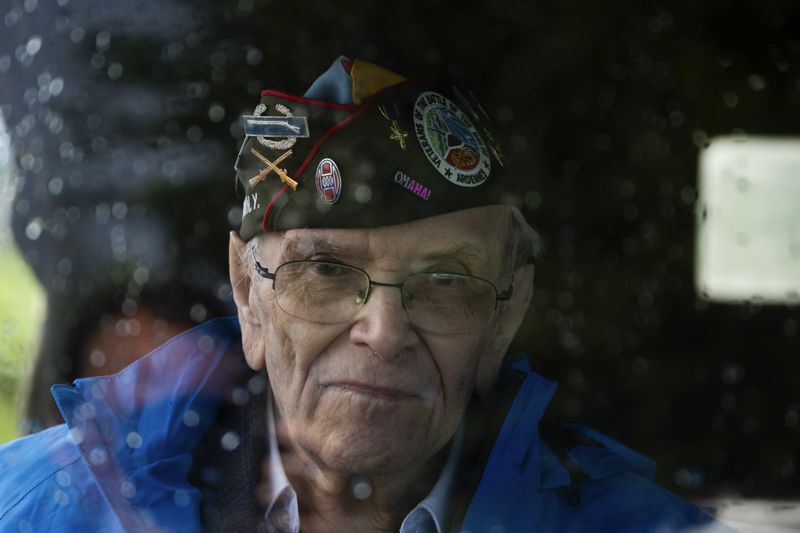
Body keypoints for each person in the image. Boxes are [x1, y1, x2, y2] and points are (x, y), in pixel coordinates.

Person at [0, 57, 733, 532]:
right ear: (247, 295)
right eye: (325, 270)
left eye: (444, 280)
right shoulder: (36, 509)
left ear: (505, 312)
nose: (383, 329)